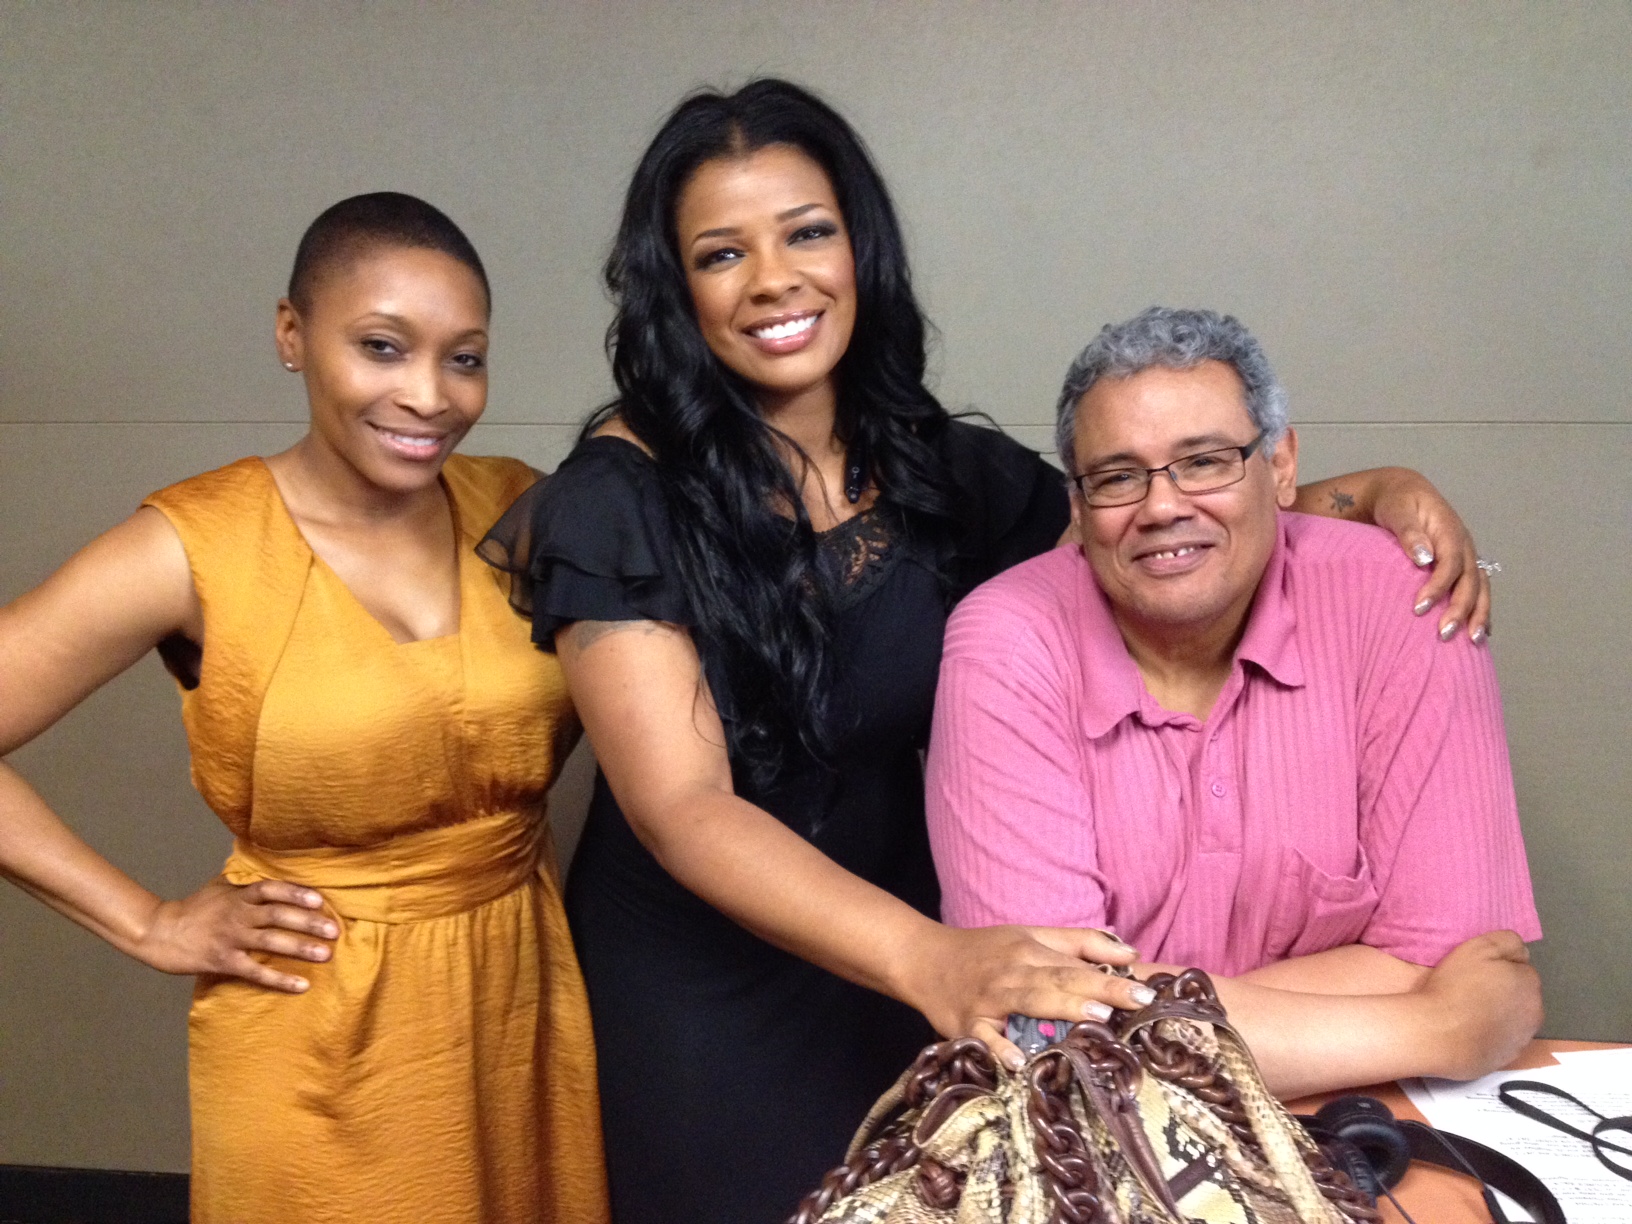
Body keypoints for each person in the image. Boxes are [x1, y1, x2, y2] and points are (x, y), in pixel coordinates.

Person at [479, 81, 1496, 1223]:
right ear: (677, 287)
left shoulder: (932, 465)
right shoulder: (615, 498)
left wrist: (1368, 493)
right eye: (723, 253)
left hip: (918, 966)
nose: (774, 279)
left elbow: (1143, 523)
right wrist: (930, 961)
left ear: (860, 248)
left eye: (807, 233)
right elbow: (682, 807)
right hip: (712, 989)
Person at [0, 194, 608, 1223]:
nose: (430, 395)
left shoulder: (522, 507)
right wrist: (148, 923)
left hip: (517, 1005)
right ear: (292, 334)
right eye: (382, 347)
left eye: (464, 359)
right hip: (317, 1033)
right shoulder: (193, 547)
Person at [926, 306, 1543, 1102]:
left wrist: (1137, 1014)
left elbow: (1460, 958)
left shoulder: (1404, 597)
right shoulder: (1006, 640)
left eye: (1205, 462)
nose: (1162, 507)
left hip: (1384, 1116)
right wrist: (1441, 1029)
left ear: (1281, 466)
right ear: (1077, 505)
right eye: (1118, 477)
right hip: (1102, 1148)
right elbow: (1046, 1032)